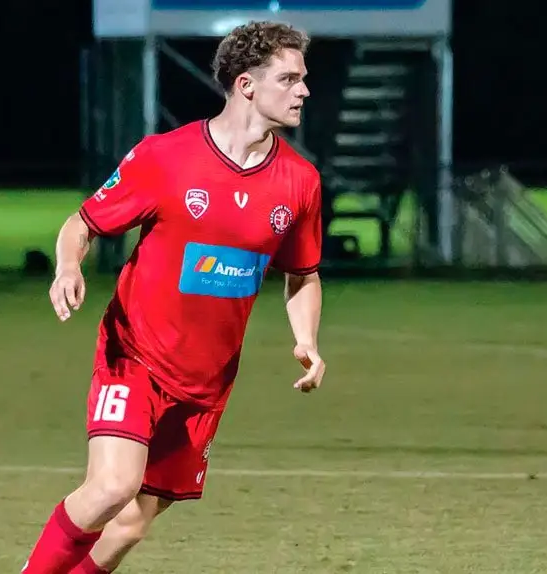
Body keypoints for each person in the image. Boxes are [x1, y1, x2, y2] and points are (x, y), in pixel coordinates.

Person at [22, 20, 326, 574]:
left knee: (131, 525)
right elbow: (82, 221)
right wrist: (67, 266)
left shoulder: (300, 181)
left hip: (206, 382)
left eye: (303, 79)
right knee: (111, 487)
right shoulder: (166, 157)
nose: (304, 90)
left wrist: (306, 340)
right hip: (134, 356)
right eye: (290, 79)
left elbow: (302, 273)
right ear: (246, 85)